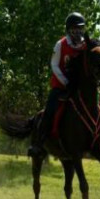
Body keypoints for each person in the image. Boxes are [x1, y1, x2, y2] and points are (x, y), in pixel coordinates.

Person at [27, 12, 88, 158]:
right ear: (69, 30)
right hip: (61, 86)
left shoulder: (85, 46)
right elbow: (54, 65)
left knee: (96, 108)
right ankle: (38, 143)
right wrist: (65, 82)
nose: (79, 31)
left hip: (79, 88)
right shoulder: (61, 44)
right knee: (49, 111)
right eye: (75, 28)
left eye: (81, 28)